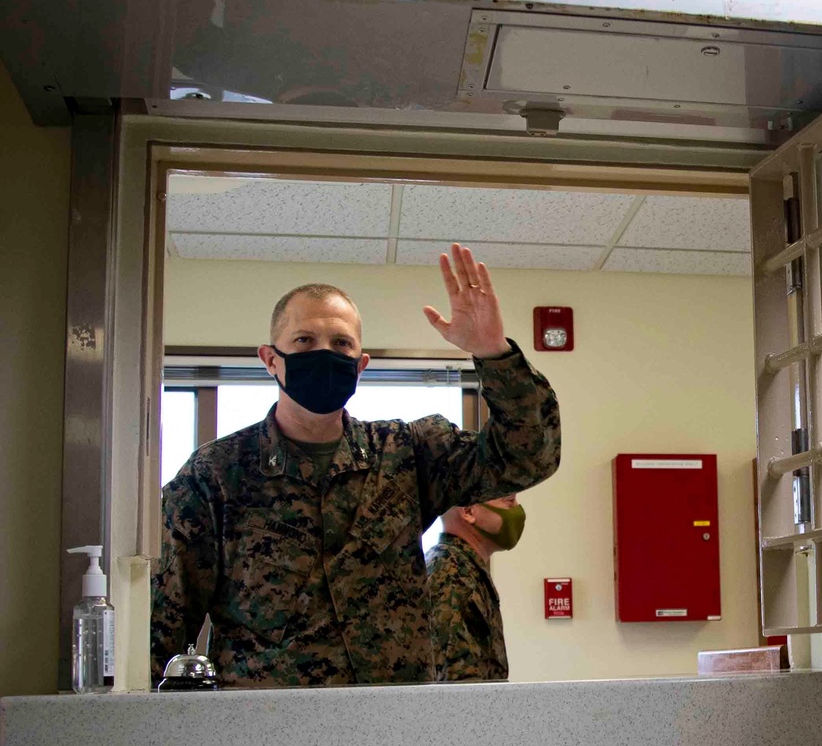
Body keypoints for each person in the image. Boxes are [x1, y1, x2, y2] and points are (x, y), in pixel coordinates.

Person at [151, 244, 560, 689]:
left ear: (360, 365)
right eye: (304, 341)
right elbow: (164, 630)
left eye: (341, 343)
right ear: (271, 359)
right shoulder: (215, 476)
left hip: (393, 734)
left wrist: (493, 352)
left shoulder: (407, 453)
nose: (324, 354)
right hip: (267, 740)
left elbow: (528, 455)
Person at [426, 494, 525, 682]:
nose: (517, 509)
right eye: (509, 501)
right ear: (468, 511)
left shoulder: (464, 567)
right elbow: (455, 683)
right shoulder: (450, 571)